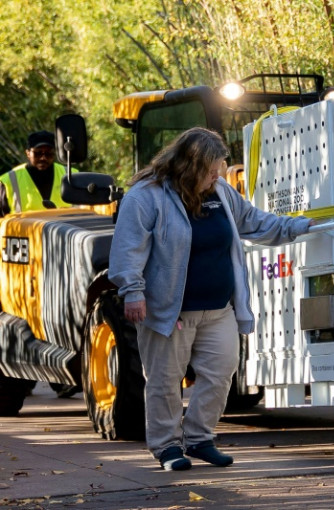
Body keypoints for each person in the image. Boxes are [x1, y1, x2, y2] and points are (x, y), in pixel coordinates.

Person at [108, 127, 313, 471]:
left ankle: (199, 438)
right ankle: (167, 447)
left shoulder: (220, 192)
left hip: (218, 310)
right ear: (190, 165)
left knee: (221, 372)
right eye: (211, 168)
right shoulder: (146, 196)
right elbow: (128, 249)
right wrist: (133, 292)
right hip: (169, 311)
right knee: (164, 381)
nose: (218, 175)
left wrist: (298, 226)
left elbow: (253, 222)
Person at [0, 130, 77, 215]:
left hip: (66, 228)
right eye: (38, 153)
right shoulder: (8, 181)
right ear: (28, 153)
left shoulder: (71, 176)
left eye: (48, 154)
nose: (43, 158)